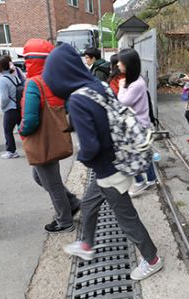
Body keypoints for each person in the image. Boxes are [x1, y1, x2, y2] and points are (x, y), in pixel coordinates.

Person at [43, 43, 163, 281]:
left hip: (110, 170)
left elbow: (90, 148)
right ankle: (86, 245)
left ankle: (152, 260)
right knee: (88, 204)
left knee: (126, 218)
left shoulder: (77, 100)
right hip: (115, 161)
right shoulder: (96, 86)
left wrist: (82, 157)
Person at [20, 39, 81, 233]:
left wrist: (22, 130)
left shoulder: (33, 83)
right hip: (54, 137)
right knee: (40, 177)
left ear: (30, 60)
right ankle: (71, 202)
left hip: (41, 140)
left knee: (52, 184)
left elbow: (30, 119)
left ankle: (65, 222)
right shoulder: (54, 80)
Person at [116, 48, 157, 197]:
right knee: (143, 152)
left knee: (132, 154)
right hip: (138, 124)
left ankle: (140, 182)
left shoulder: (136, 84)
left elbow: (123, 101)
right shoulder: (134, 80)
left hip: (137, 125)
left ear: (129, 64)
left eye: (121, 62)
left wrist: (121, 88)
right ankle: (151, 179)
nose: (118, 64)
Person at [0, 56, 22, 159]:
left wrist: (2, 108)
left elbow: (4, 98)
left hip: (10, 108)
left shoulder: (1, 80)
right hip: (19, 106)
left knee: (8, 130)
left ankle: (11, 151)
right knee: (23, 129)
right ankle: (33, 147)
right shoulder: (14, 76)